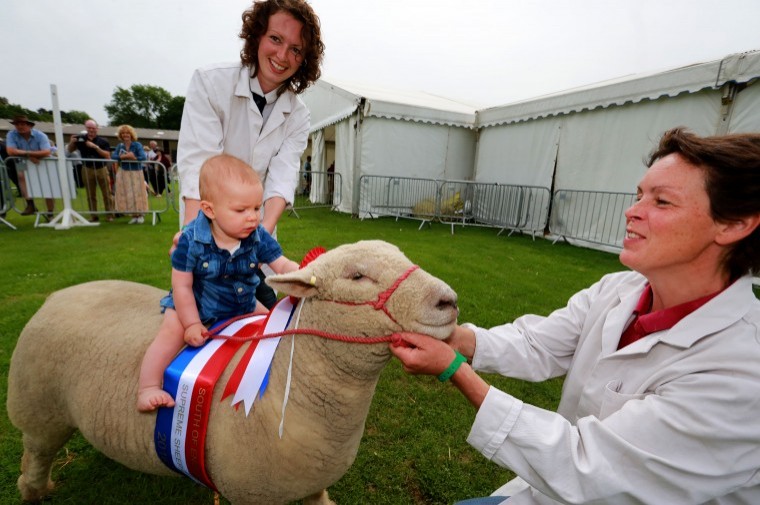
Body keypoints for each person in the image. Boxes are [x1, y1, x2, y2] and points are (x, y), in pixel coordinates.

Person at [390, 128, 760, 504]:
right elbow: (539, 343)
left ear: (734, 224)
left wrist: (456, 370)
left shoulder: (742, 373)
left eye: (662, 201)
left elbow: (588, 464)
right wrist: (458, 340)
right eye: (638, 195)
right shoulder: (619, 289)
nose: (632, 211)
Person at [177, 0, 324, 309]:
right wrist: (195, 240)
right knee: (196, 321)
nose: (283, 56)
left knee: (266, 319)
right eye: (276, 39)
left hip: (255, 234)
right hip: (207, 231)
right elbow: (198, 167)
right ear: (257, 35)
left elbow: (282, 178)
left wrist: (256, 242)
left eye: (296, 50)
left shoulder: (298, 115)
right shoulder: (210, 82)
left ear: (304, 59)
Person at [137, 154, 299, 412]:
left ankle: (273, 382)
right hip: (196, 304)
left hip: (242, 302)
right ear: (209, 209)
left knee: (274, 327)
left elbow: (281, 264)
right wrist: (191, 323)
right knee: (170, 334)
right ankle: (148, 387)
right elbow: (182, 286)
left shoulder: (258, 236)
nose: (253, 218)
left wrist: (300, 274)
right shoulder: (189, 240)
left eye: (257, 208)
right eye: (241, 210)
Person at [4, 115, 54, 218]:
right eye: (17, 124)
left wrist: (26, 154)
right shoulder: (11, 134)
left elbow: (46, 152)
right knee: (21, 176)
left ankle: (50, 212)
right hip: (22, 161)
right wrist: (29, 155)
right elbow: (10, 151)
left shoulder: (40, 135)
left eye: (22, 124)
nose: (19, 127)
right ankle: (30, 204)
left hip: (41, 162)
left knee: (46, 184)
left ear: (29, 125)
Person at [68, 119, 113, 222]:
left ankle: (109, 215)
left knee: (107, 193)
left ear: (97, 129)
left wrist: (96, 147)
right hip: (87, 169)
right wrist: (71, 142)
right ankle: (93, 215)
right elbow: (70, 150)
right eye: (89, 128)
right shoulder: (80, 140)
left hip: (101, 168)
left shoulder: (103, 141)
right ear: (86, 128)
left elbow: (107, 155)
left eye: (93, 128)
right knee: (90, 194)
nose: (91, 130)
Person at [111, 124, 148, 224]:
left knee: (137, 193)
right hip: (123, 172)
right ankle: (133, 215)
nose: (125, 135)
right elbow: (113, 156)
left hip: (136, 172)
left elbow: (143, 157)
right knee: (128, 194)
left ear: (131, 134)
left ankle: (140, 214)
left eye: (127, 133)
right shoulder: (120, 146)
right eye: (123, 133)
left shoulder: (137, 145)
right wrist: (122, 157)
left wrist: (134, 158)